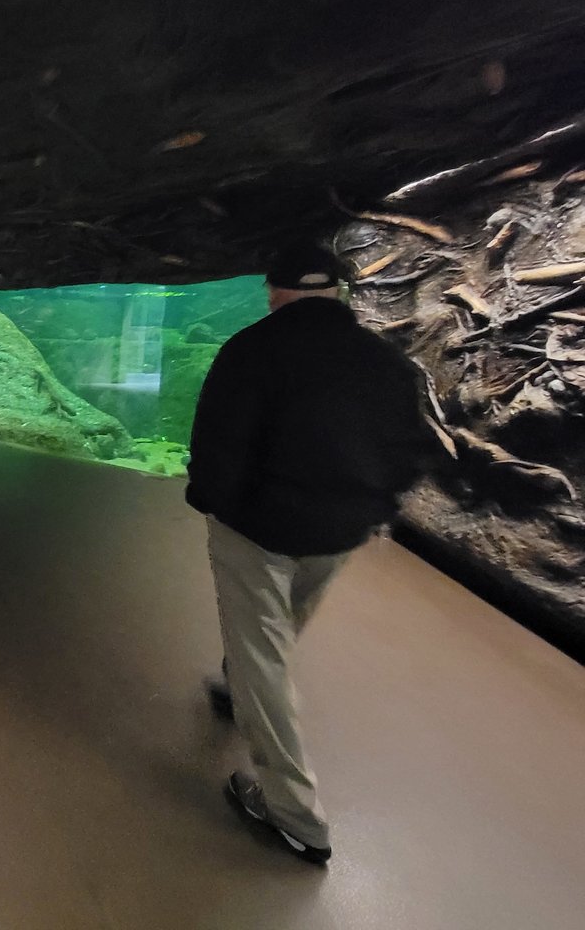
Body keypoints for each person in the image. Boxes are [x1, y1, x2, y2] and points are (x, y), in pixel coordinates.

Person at [186, 242, 436, 865]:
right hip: (341, 531)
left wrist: (212, 500)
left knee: (262, 650)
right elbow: (411, 449)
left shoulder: (250, 350)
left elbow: (218, 438)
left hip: (258, 528)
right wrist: (375, 508)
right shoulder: (386, 363)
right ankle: (232, 683)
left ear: (275, 291)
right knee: (281, 625)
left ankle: (294, 813)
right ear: (338, 293)